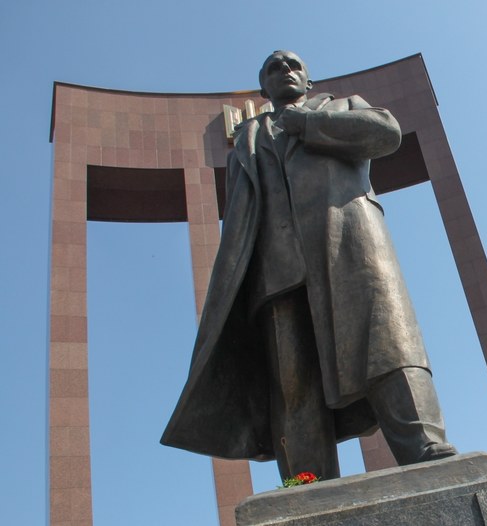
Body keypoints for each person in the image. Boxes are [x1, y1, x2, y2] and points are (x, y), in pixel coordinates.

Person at [161, 50, 456, 481]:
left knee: (388, 347)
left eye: (293, 64)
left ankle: (424, 446)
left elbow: (385, 133)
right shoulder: (246, 137)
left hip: (351, 245)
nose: (284, 69)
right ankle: (307, 479)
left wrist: (309, 125)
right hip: (277, 271)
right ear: (263, 88)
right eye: (273, 67)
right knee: (293, 381)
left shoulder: (340, 107)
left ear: (309, 80)